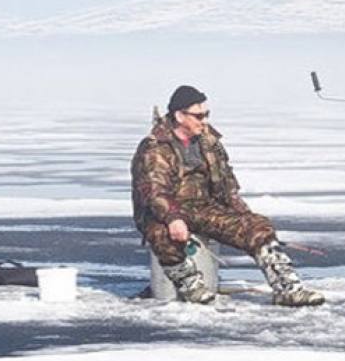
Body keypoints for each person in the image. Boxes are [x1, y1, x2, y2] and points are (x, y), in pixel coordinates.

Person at [131, 85, 325, 306]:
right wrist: (173, 218)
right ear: (179, 116)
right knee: (163, 233)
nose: (204, 121)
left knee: (258, 226)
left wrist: (244, 218)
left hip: (203, 207)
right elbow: (154, 192)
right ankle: (189, 286)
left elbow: (226, 185)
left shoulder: (209, 142)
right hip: (164, 210)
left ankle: (287, 289)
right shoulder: (155, 148)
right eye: (198, 116)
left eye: (207, 115)